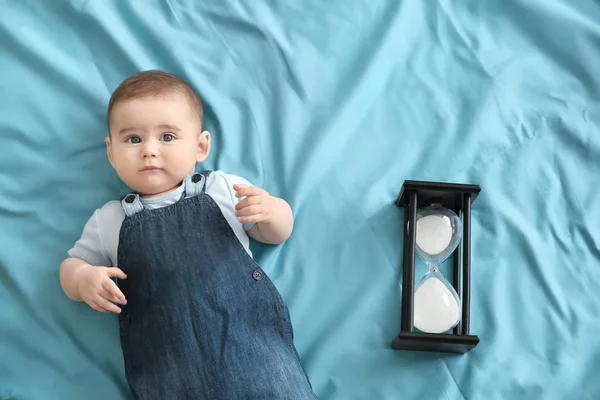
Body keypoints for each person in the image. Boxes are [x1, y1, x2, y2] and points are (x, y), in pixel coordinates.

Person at [59, 70, 317, 399]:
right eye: (133, 139)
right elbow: (72, 265)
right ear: (111, 152)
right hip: (168, 370)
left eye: (167, 137)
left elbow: (276, 233)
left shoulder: (224, 188)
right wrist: (83, 280)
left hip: (254, 350)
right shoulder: (110, 220)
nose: (149, 150)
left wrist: (271, 210)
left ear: (200, 146)